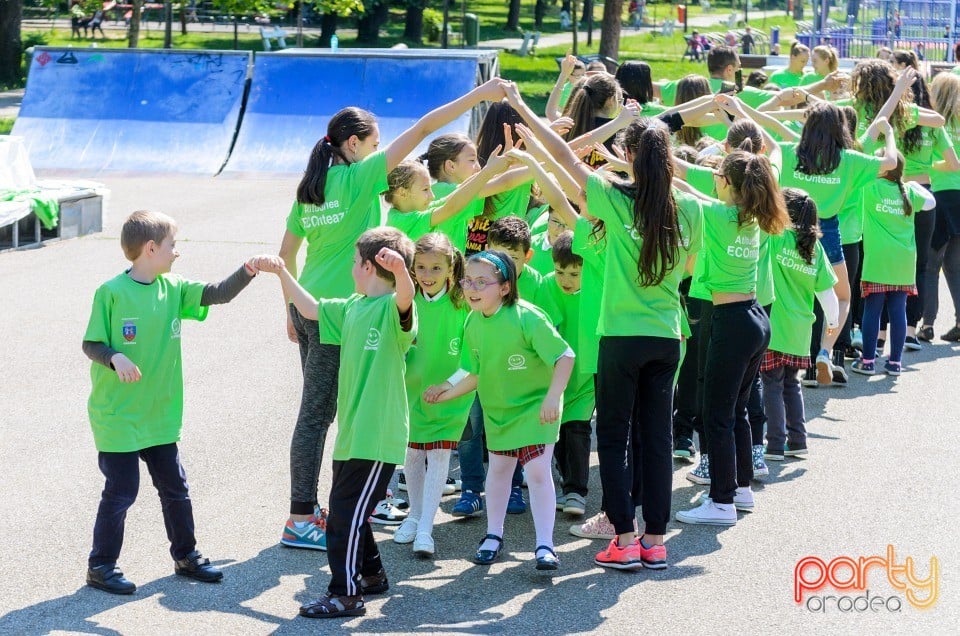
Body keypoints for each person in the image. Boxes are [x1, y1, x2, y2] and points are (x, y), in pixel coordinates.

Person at [276, 79, 507, 551]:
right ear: (354, 144)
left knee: (331, 409)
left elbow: (287, 251)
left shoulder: (310, 189)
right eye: (376, 144)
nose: (380, 152)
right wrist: (477, 96)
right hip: (343, 313)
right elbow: (424, 127)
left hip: (312, 308)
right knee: (330, 411)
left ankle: (335, 504)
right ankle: (303, 515)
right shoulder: (359, 178)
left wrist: (291, 309)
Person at [82, 210, 264, 594]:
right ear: (151, 248)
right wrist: (114, 356)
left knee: (175, 488)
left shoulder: (174, 288)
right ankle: (101, 565)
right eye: (172, 246)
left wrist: (248, 269)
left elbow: (217, 293)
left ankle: (187, 555)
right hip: (118, 415)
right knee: (122, 490)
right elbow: (91, 343)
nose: (176, 253)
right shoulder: (111, 292)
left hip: (159, 414)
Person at [256, 227, 418, 619]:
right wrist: (282, 274)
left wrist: (401, 271)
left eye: (353, 262)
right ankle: (372, 576)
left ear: (366, 266)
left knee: (343, 516)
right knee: (348, 511)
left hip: (378, 434)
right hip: (353, 433)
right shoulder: (353, 307)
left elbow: (406, 299)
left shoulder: (393, 311)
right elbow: (311, 309)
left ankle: (345, 594)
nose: (351, 268)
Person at [425, 251, 574, 572]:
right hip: (499, 411)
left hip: (536, 409)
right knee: (499, 472)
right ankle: (493, 536)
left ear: (505, 287)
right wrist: (445, 391)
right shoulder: (472, 321)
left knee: (536, 473)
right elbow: (474, 372)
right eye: (467, 281)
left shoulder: (528, 317)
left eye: (482, 282)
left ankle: (545, 545)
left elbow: (565, 356)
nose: (472, 288)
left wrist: (552, 397)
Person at [675, 148, 789, 526]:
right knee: (735, 411)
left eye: (718, 174)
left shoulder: (720, 214)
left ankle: (721, 502)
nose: (713, 179)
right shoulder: (752, 215)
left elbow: (678, 185)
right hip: (754, 318)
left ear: (726, 182)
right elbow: (689, 179)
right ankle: (740, 489)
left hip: (731, 322)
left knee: (716, 416)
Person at [778, 103, 898, 386]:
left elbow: (764, 132)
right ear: (840, 128)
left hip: (787, 229)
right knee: (841, 298)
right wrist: (889, 134)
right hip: (827, 231)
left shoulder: (789, 152)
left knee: (786, 293)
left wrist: (738, 107)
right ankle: (825, 351)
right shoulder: (849, 160)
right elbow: (891, 163)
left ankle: (784, 357)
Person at [392, 233, 471, 558]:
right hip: (411, 391)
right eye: (421, 267)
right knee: (412, 454)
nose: (427, 274)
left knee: (439, 455)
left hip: (451, 392)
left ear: (450, 269)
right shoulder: (407, 300)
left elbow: (472, 358)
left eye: (435, 268)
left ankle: (426, 526)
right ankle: (414, 514)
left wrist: (448, 386)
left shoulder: (463, 303)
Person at [762, 189, 839, 462]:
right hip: (800, 330)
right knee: (791, 385)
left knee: (771, 384)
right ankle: (798, 440)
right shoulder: (814, 249)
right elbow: (828, 293)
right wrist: (832, 321)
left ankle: (773, 444)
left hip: (773, 325)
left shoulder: (774, 236)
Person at [852, 154, 936, 377]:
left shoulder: (869, 187)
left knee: (872, 310)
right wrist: (914, 184)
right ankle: (895, 363)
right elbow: (931, 202)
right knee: (898, 310)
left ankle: (868, 361)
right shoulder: (908, 191)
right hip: (904, 262)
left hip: (877, 261)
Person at [544, 232, 595, 518]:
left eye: (575, 273)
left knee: (577, 429)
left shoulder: (597, 289)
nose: (566, 279)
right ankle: (566, 483)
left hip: (587, 375)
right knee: (558, 432)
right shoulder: (547, 288)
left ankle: (577, 490)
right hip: (555, 377)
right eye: (560, 271)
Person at [923, 72, 960, 342]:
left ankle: (927, 323)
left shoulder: (936, 124)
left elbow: (948, 163)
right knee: (955, 265)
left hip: (942, 193)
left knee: (930, 264)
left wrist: (925, 167)